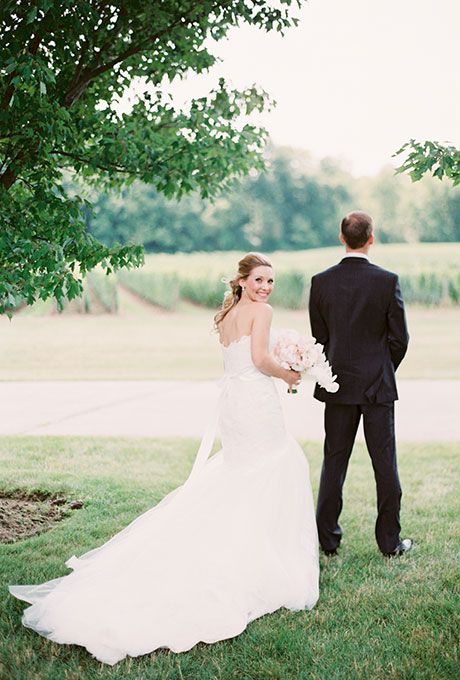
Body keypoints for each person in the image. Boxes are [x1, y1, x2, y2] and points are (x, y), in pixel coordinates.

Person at [9, 252, 319, 666]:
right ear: (242, 280)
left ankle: (249, 544)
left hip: (236, 405)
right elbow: (261, 360)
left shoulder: (226, 316)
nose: (265, 288)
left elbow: (241, 361)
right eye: (259, 280)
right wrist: (289, 373)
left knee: (245, 473)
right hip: (255, 403)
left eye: (270, 282)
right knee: (276, 464)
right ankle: (260, 558)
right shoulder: (260, 312)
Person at [309, 211, 411, 558]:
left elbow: (319, 338)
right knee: (385, 463)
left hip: (336, 383)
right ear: (371, 238)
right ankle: (389, 542)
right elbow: (400, 339)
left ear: (342, 237)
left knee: (333, 461)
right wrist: (382, 368)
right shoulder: (387, 280)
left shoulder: (320, 281)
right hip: (377, 387)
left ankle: (327, 540)